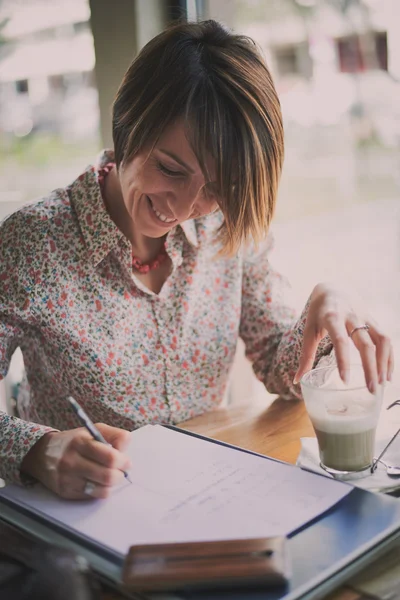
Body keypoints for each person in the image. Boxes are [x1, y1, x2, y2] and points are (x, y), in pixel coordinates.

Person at [0, 20, 393, 499]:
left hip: (209, 494)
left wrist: (325, 309)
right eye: (170, 169)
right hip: (84, 513)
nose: (184, 209)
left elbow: (277, 364)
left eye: (214, 189)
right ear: (127, 121)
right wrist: (38, 449)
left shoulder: (224, 229)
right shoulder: (30, 245)